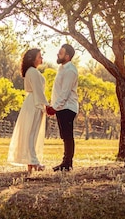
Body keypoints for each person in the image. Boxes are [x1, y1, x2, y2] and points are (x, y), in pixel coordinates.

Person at [7, 48, 50, 173]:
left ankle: (31, 162)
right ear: (33, 59)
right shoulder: (33, 72)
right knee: (31, 134)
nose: (41, 59)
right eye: (39, 56)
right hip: (34, 103)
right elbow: (38, 90)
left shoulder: (31, 71)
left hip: (33, 102)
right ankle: (34, 162)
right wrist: (47, 105)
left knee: (32, 134)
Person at [46, 44, 78, 172]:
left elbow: (65, 92)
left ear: (67, 56)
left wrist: (54, 107)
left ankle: (67, 164)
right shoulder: (63, 69)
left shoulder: (70, 70)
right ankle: (65, 163)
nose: (58, 54)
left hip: (67, 107)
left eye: (61, 53)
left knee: (68, 135)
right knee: (65, 135)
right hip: (62, 107)